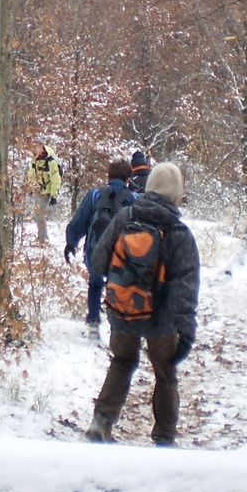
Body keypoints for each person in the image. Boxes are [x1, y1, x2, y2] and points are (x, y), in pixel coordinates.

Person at [86, 162, 199, 446]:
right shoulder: (178, 233)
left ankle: (101, 422)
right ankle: (164, 436)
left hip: (123, 309)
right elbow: (185, 288)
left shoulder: (125, 218)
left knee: (122, 362)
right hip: (161, 320)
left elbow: (98, 263)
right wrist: (186, 331)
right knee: (165, 373)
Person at [65, 159, 135, 328]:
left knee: (95, 285)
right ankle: (117, 326)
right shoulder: (133, 198)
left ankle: (93, 321)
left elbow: (79, 222)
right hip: (121, 253)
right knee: (119, 286)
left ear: (108, 176)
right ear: (128, 179)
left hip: (95, 250)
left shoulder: (95, 194)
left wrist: (71, 243)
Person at [26, 143, 63, 245]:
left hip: (46, 192)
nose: (35, 149)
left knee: (40, 215)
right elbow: (32, 174)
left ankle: (44, 239)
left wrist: (54, 195)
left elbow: (55, 179)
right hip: (37, 191)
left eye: (37, 146)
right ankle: (40, 237)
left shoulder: (50, 161)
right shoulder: (35, 160)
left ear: (42, 147)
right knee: (38, 215)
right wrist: (30, 187)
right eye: (34, 147)